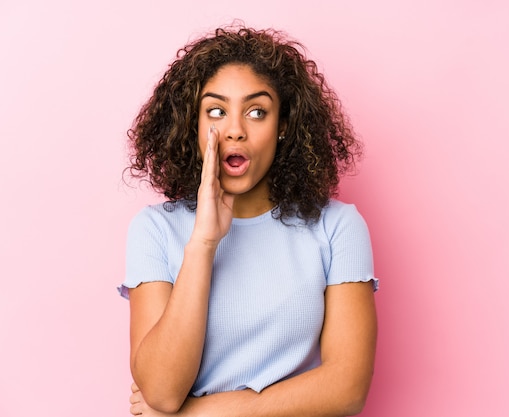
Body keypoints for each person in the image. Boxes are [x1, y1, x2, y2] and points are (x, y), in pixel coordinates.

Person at [119, 23, 379, 417]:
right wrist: (204, 242)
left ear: (283, 127)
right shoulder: (154, 230)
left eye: (257, 112)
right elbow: (162, 391)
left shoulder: (338, 227)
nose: (235, 131)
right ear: (193, 124)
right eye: (217, 111)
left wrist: (197, 414)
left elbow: (347, 390)